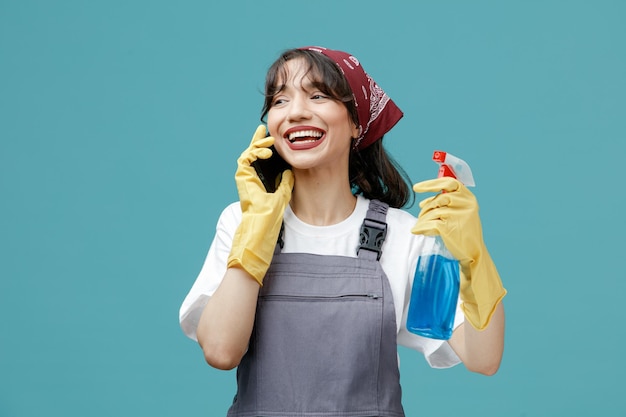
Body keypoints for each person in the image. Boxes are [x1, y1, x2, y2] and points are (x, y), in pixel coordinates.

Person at [179, 46, 506, 416]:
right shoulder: (240, 222)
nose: (296, 111)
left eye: (317, 95)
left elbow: (484, 358)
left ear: (356, 123)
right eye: (280, 100)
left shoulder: (403, 235)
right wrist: (256, 231)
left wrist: (474, 258)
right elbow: (221, 351)